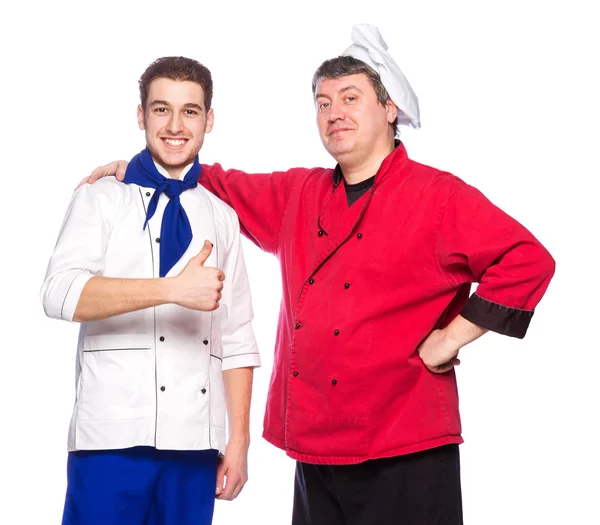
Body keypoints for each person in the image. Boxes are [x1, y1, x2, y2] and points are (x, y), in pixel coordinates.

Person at [84, 25, 555, 525]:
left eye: (350, 98)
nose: (334, 113)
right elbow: (219, 183)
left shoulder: (437, 196)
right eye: (323, 102)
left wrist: (450, 338)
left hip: (405, 443)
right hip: (316, 445)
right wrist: (146, 168)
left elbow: (527, 260)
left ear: (388, 108)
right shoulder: (300, 193)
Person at [41, 56, 260, 525]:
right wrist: (170, 290)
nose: (176, 125)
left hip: (195, 444)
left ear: (209, 120)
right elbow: (59, 293)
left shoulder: (221, 216)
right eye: (161, 110)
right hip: (110, 439)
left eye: (190, 111)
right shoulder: (101, 197)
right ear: (141, 116)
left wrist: (238, 441)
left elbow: (238, 337)